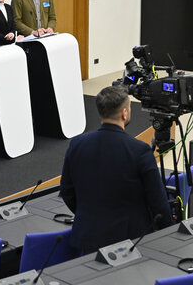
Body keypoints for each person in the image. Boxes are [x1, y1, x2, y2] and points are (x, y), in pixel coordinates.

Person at [59, 86, 173, 254]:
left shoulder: (77, 144)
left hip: (87, 239)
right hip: (130, 244)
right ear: (124, 113)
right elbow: (159, 203)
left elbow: (67, 191)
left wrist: (89, 214)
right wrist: (169, 235)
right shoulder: (140, 150)